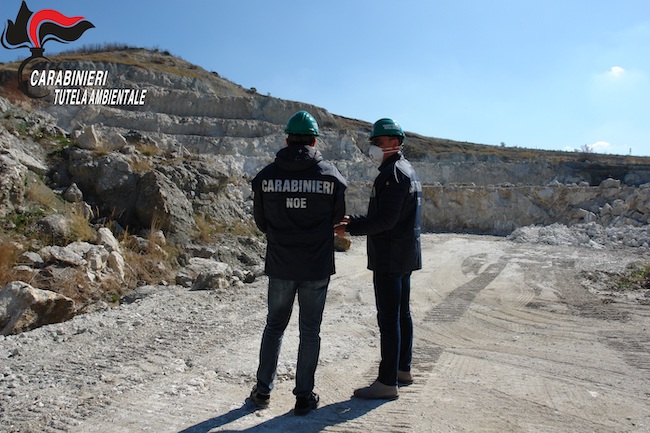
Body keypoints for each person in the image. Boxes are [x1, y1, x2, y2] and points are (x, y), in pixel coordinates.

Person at [249, 110, 347, 415]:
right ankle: (304, 396)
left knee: (275, 326)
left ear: (287, 139)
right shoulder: (331, 176)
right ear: (315, 140)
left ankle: (263, 390)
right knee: (310, 331)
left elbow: (261, 222)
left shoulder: (265, 177)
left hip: (281, 264)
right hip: (316, 265)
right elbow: (336, 219)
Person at [335, 118, 422, 400]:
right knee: (401, 314)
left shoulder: (393, 174)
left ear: (394, 143)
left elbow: (384, 221)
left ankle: (386, 383)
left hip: (390, 256)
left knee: (389, 319)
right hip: (403, 253)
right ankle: (402, 370)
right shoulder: (404, 170)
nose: (372, 146)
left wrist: (350, 227)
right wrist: (354, 221)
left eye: (378, 142)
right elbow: (388, 218)